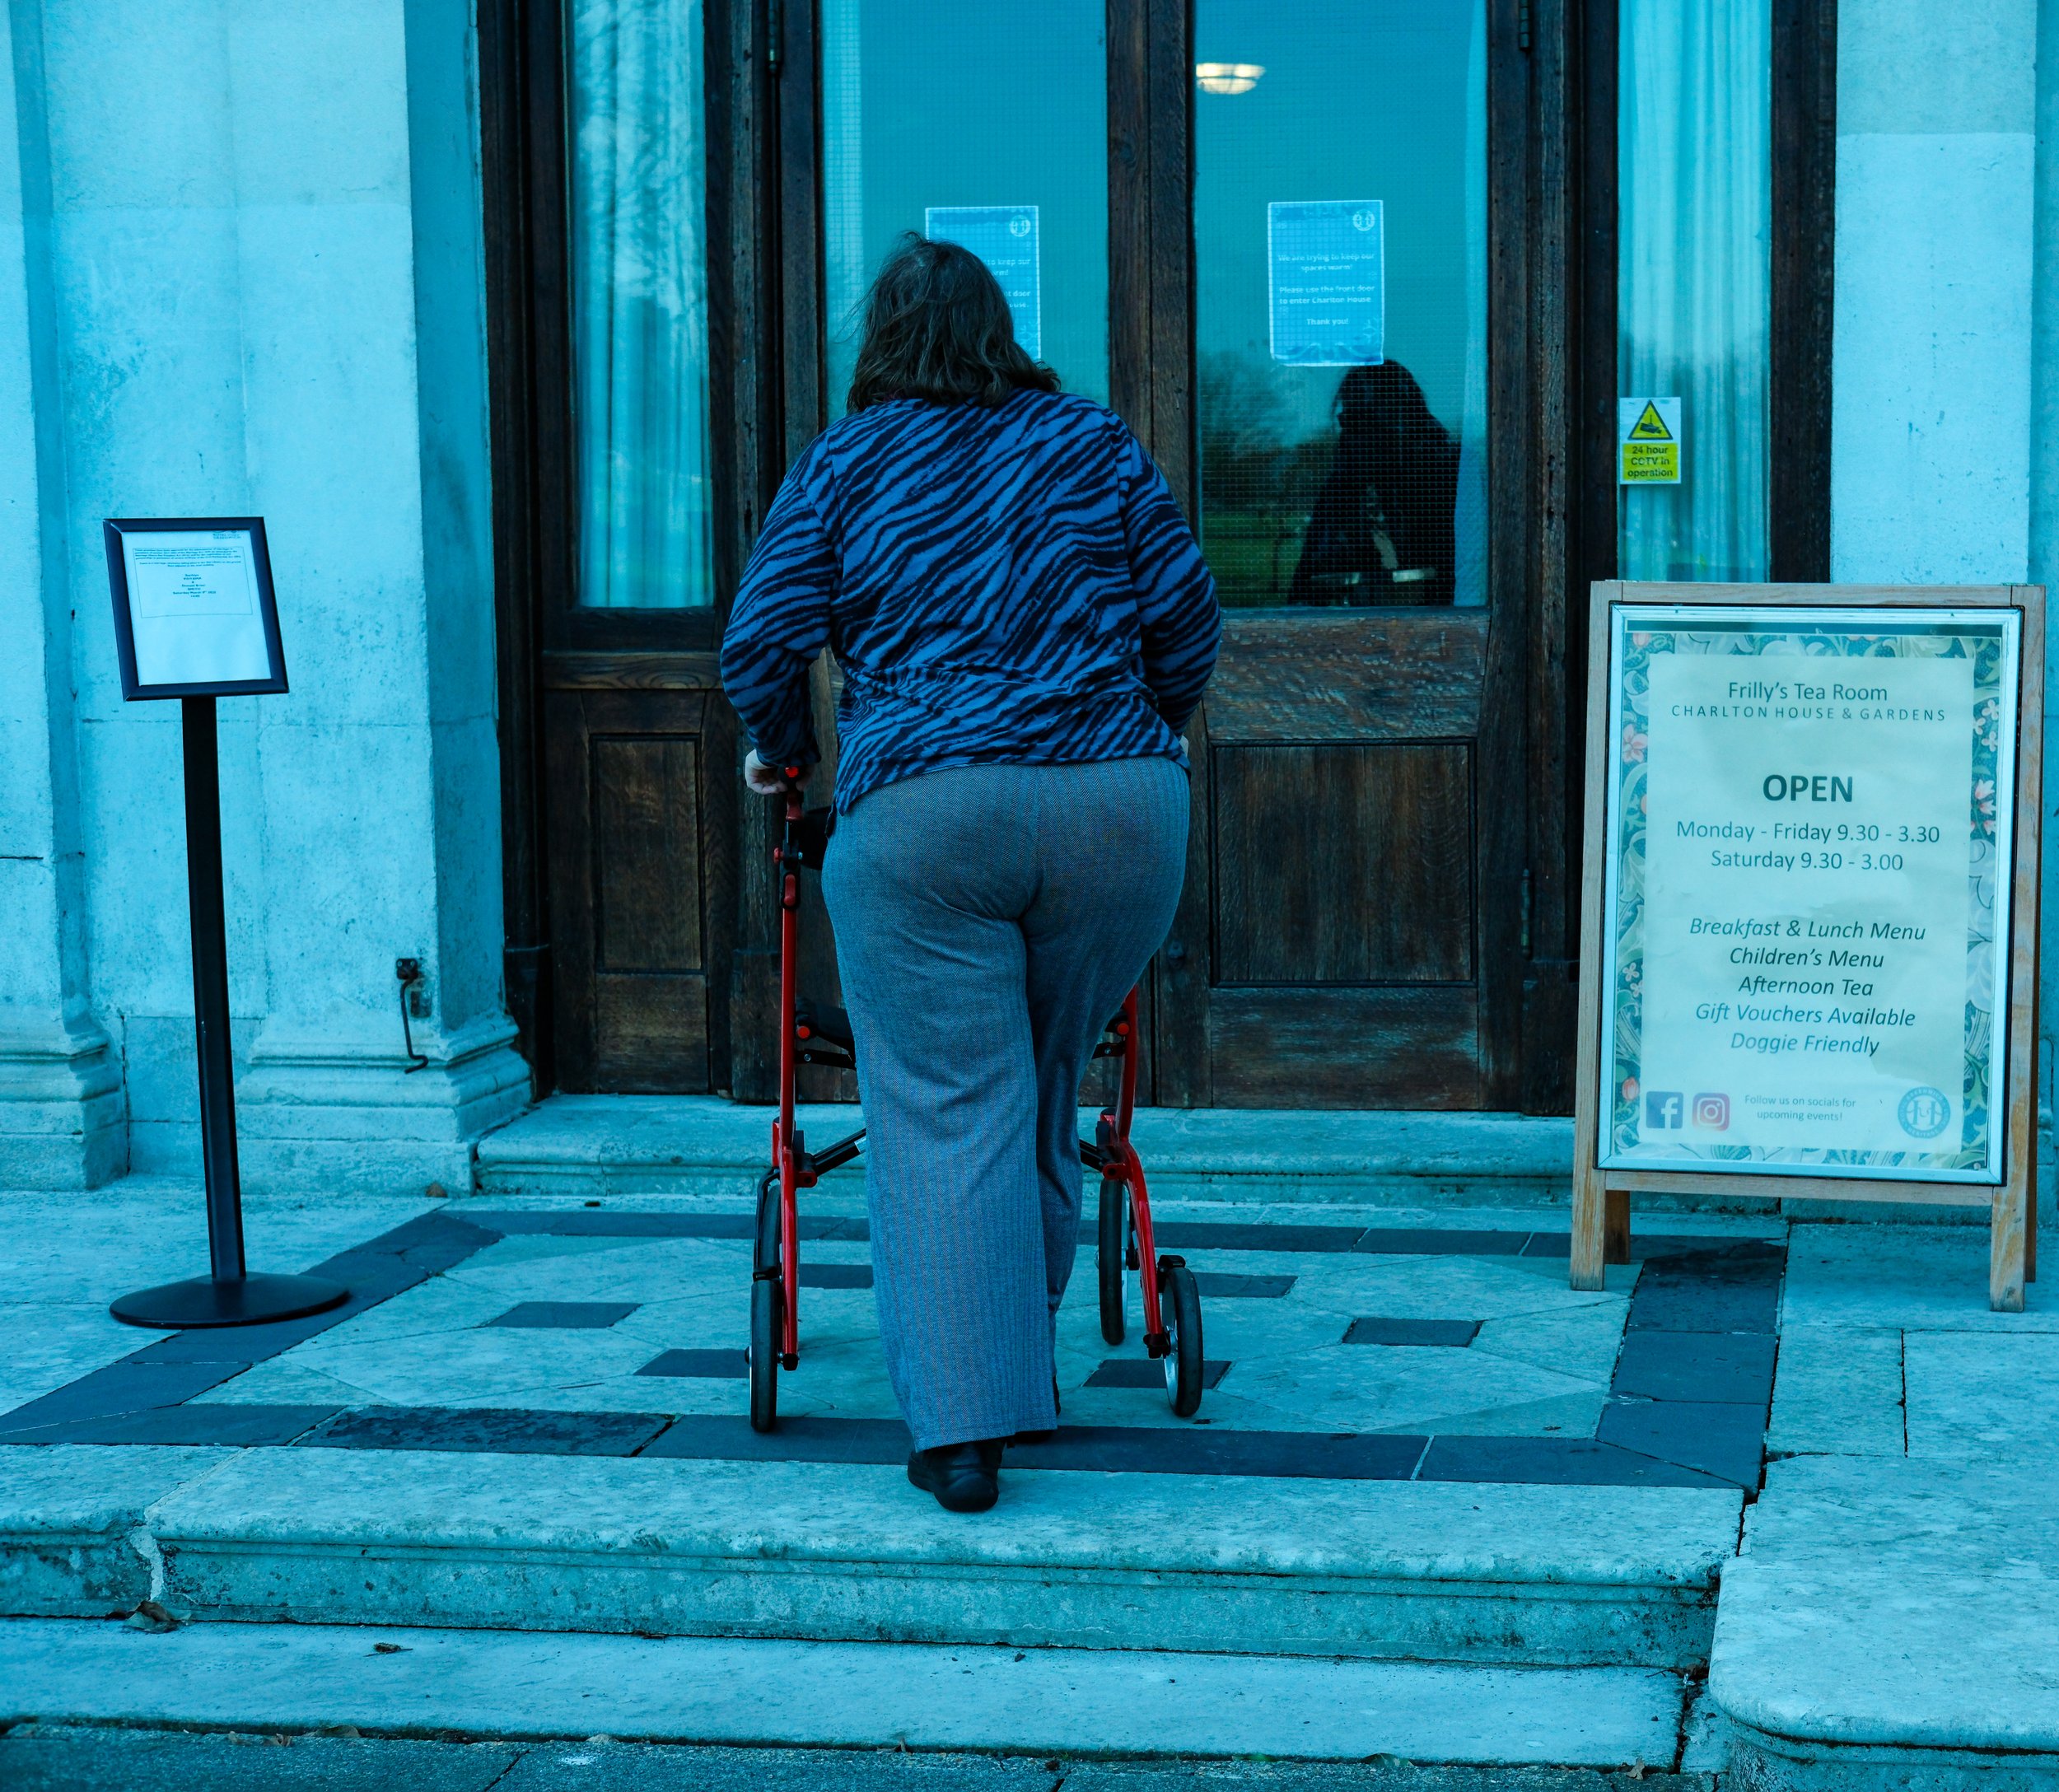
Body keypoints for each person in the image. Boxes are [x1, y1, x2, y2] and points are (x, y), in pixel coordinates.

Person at [721, 236, 1220, 1514]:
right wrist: (1136, 727)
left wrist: (784, 754)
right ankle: (1015, 1363)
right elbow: (1189, 621)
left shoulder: (847, 460)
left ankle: (963, 1432)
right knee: (1039, 1089)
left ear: (881, 340)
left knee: (948, 1108)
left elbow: (760, 642)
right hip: (1119, 812)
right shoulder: (1091, 440)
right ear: (1001, 329)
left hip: (928, 817)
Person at [1289, 361, 1459, 605]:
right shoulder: (1342, 490)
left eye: (1368, 421)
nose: (1355, 435)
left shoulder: (1444, 480)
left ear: (1400, 418)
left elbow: (1455, 572)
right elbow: (1307, 584)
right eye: (1349, 421)